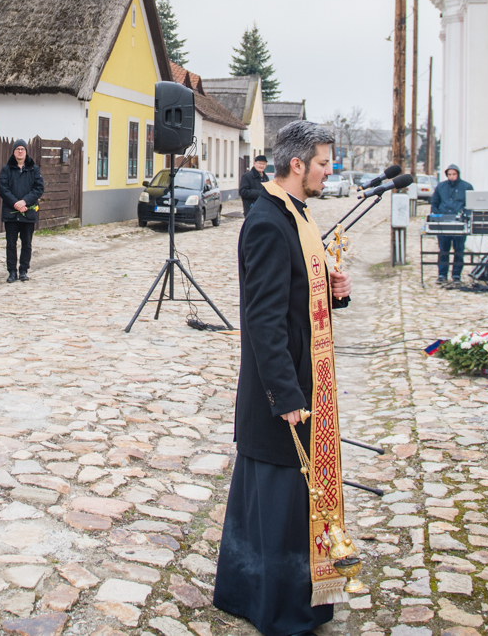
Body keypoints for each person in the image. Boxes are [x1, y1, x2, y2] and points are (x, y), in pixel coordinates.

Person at [215, 120, 352, 636]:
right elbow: (264, 319)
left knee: (281, 500)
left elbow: (299, 298)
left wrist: (332, 290)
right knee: (276, 502)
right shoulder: (269, 223)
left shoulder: (297, 214)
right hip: (284, 390)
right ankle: (277, 606)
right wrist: (285, 395)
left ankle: (264, 593)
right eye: (323, 163)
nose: (328, 171)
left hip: (302, 378)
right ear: (297, 165)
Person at [0, 141, 44, 283]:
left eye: (22, 149)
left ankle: (23, 270)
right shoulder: (6, 169)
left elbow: (38, 188)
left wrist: (25, 202)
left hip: (28, 212)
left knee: (27, 244)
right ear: (13, 151)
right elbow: (3, 189)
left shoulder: (33, 169)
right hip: (11, 213)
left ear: (26, 151)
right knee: (11, 244)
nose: (20, 151)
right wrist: (15, 204)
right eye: (17, 149)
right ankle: (12, 271)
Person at [428, 163, 473, 281]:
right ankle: (442, 274)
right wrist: (437, 215)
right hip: (443, 224)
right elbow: (434, 202)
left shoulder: (467, 187)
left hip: (459, 224)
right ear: (447, 175)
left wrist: (465, 215)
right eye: (450, 174)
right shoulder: (441, 186)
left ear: (458, 174)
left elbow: (470, 204)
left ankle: (456, 275)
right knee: (443, 250)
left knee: (459, 250)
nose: (452, 176)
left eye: (454, 174)